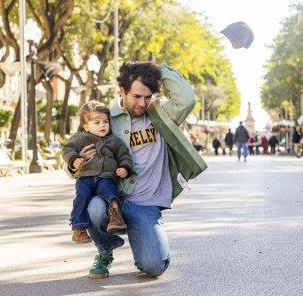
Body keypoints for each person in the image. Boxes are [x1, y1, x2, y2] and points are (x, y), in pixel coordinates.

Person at [78, 61, 207, 279]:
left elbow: (187, 99)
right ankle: (105, 250)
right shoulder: (104, 118)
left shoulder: (161, 114)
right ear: (122, 91)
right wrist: (75, 162)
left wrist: (160, 69)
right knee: (93, 208)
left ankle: (145, 235)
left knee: (155, 267)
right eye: (136, 96)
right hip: (112, 202)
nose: (142, 103)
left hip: (146, 205)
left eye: (148, 97)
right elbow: (74, 150)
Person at [62, 100, 134, 244]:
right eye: (97, 123)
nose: (102, 125)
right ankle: (79, 229)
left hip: (106, 177)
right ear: (86, 127)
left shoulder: (114, 140)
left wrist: (125, 169)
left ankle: (116, 217)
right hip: (85, 177)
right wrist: (74, 159)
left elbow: (124, 155)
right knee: (82, 197)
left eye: (105, 122)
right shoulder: (81, 137)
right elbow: (67, 149)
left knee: (110, 193)